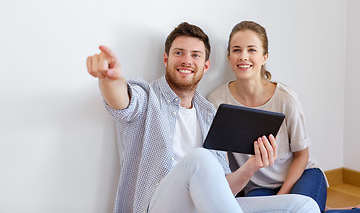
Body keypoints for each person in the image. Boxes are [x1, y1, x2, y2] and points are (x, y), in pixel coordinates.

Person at [86, 22, 320, 213]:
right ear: (166, 59)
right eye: (179, 53)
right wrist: (109, 78)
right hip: (157, 207)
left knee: (303, 206)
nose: (187, 60)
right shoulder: (147, 97)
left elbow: (223, 188)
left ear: (206, 65)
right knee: (199, 159)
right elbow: (122, 102)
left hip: (205, 207)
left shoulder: (209, 112)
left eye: (195, 55)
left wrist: (252, 166)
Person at [207, 20, 360, 213]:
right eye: (236, 50)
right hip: (258, 187)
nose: (243, 56)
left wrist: (283, 198)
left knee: (302, 209)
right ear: (229, 56)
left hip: (302, 176)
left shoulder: (286, 99)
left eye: (252, 50)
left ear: (264, 57)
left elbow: (302, 155)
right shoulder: (216, 101)